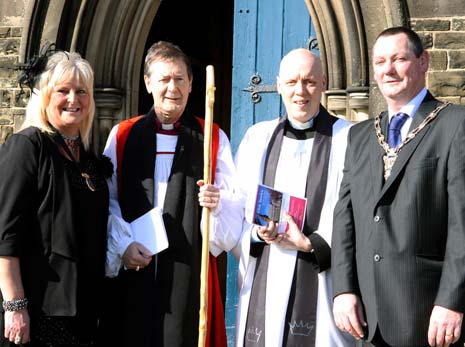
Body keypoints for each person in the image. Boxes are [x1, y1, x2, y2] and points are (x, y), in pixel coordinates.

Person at [100, 41, 240, 347]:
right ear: (148, 83)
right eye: (163, 79)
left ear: (191, 84)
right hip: (134, 270)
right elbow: (106, 200)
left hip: (187, 275)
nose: (172, 88)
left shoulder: (212, 139)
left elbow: (234, 206)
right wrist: (123, 246)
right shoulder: (123, 135)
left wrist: (217, 204)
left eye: (180, 79)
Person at [331, 26, 465, 347]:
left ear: (423, 62)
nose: (387, 69)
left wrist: (452, 300)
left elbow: (463, 222)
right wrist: (343, 289)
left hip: (429, 317)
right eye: (380, 61)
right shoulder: (360, 136)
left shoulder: (454, 124)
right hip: (369, 318)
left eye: (399, 59)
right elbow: (345, 218)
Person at [233, 48, 355, 346]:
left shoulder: (349, 138)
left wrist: (311, 243)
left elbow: (357, 216)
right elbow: (236, 209)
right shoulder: (257, 139)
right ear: (277, 85)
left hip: (320, 280)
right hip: (266, 272)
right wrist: (257, 233)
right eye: (291, 82)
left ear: (324, 83)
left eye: (309, 82)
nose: (300, 91)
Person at [0, 49, 112, 347]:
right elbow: (5, 237)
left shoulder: (88, 159)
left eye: (82, 92)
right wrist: (15, 307)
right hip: (39, 313)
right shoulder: (27, 147)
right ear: (45, 96)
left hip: (86, 313)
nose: (74, 100)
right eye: (63, 91)